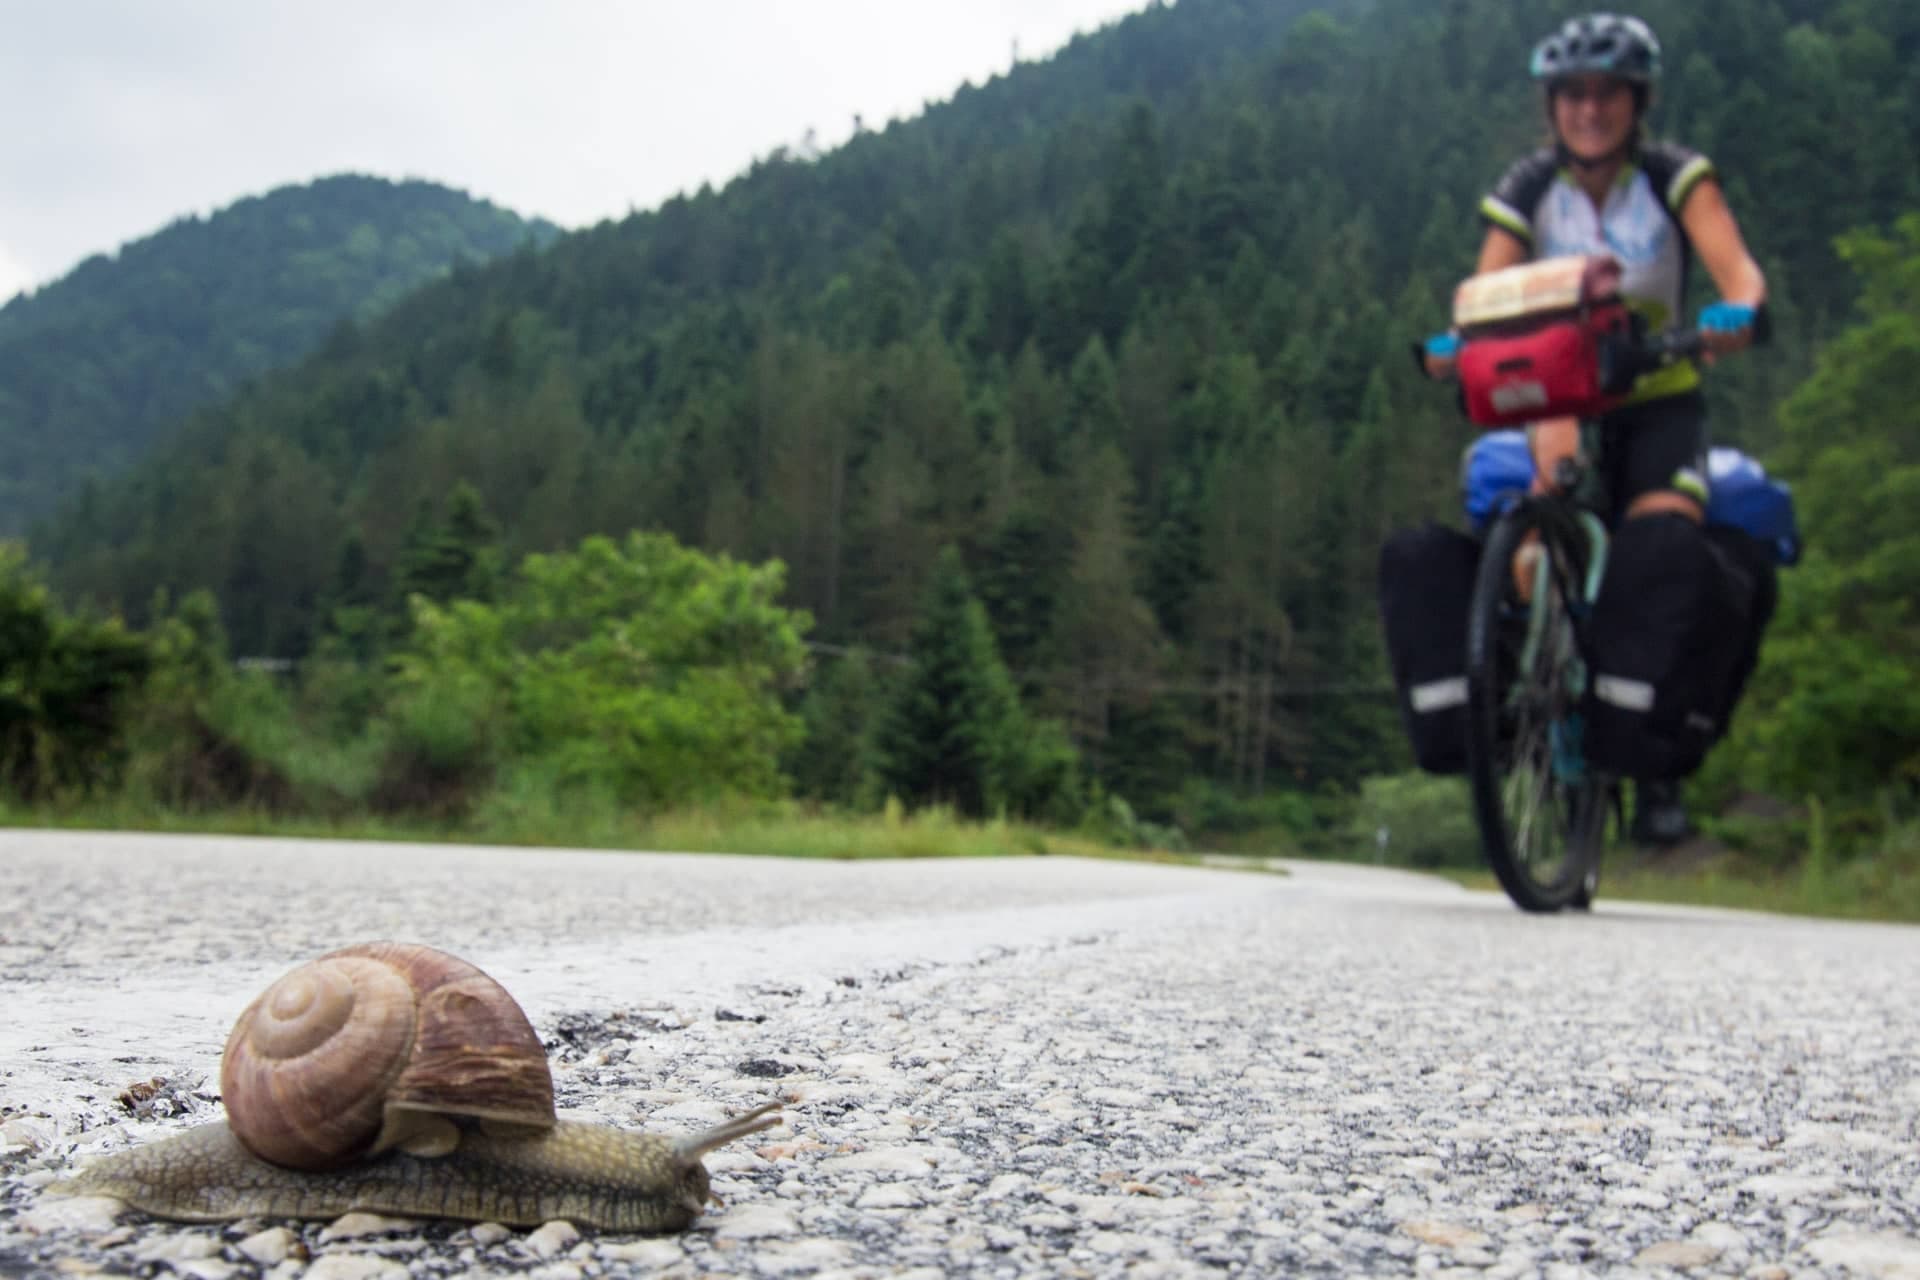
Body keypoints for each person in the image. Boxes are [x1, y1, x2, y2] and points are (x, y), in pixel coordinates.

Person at [1424, 13, 1769, 846]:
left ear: (1635, 101)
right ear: (1553, 105)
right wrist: (1457, 341)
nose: (1589, 109)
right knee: (1539, 535)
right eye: (1573, 94)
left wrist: (1739, 312)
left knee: (1664, 551)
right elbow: (1487, 295)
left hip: (1660, 395)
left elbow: (1736, 269)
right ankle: (1525, 690)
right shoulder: (1530, 188)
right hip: (1562, 396)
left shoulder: (1675, 176)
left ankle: (1649, 766)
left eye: (1606, 93)